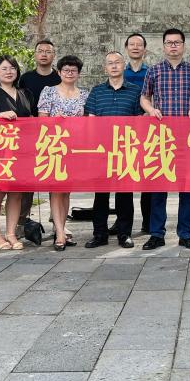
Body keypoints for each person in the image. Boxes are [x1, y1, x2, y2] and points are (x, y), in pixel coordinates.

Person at [140, 28, 190, 250]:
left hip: (187, 138)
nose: (173, 46)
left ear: (183, 45)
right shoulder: (154, 70)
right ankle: (156, 233)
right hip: (161, 137)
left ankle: (186, 234)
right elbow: (144, 97)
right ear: (164, 46)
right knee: (159, 186)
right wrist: (151, 110)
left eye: (177, 42)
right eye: (169, 43)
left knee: (187, 187)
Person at [84, 51, 142, 248]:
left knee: (125, 195)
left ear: (124, 65)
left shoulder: (135, 91)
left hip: (126, 149)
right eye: (110, 63)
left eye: (117, 62)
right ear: (105, 68)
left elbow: (139, 121)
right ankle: (99, 234)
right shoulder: (97, 91)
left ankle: (124, 234)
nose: (114, 66)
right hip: (101, 151)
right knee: (101, 195)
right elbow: (90, 120)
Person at [0, 55, 33, 250]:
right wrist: (1, 115)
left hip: (21, 150)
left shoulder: (25, 93)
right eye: (4, 68)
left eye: (12, 68)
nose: (9, 72)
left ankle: (11, 233)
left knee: (16, 193)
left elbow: (31, 118)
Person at [38, 55, 88, 251]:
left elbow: (87, 122)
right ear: (59, 72)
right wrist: (54, 120)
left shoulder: (84, 95)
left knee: (66, 190)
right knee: (56, 189)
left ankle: (62, 227)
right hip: (53, 145)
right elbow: (41, 119)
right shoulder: (49, 91)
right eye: (66, 70)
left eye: (73, 70)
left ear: (78, 74)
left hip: (74, 147)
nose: (69, 73)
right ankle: (59, 233)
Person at [17, 40, 61, 233]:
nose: (44, 54)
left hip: (54, 134)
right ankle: (21, 221)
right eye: (40, 51)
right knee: (27, 178)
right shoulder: (25, 78)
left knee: (55, 176)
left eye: (48, 51)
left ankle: (57, 221)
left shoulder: (60, 77)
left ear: (54, 55)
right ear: (35, 54)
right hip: (29, 134)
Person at [122, 33, 150, 234]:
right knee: (125, 178)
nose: (135, 47)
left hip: (147, 131)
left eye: (139, 45)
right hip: (124, 133)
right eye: (131, 44)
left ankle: (148, 222)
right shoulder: (119, 72)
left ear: (144, 49)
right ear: (126, 48)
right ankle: (122, 222)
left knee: (148, 178)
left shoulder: (152, 72)